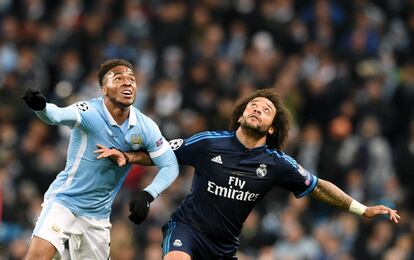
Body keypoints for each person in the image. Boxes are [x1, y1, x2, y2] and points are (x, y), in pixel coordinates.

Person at [96, 88, 400, 260]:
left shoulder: (278, 163)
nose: (256, 109)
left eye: (265, 109)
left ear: (271, 127)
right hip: (187, 230)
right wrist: (126, 155)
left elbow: (318, 187)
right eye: (252, 106)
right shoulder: (208, 142)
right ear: (241, 115)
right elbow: (161, 152)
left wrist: (362, 209)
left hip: (224, 247)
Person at [22, 58, 179, 259]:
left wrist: (148, 194)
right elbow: (57, 115)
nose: (127, 83)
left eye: (131, 79)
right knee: (37, 255)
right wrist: (41, 107)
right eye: (118, 78)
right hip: (64, 202)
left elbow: (170, 165)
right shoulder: (90, 112)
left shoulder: (145, 126)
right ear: (104, 89)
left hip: (98, 216)